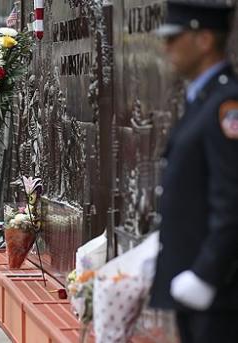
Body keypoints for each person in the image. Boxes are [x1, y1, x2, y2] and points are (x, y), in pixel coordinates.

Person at [149, 2, 238, 342]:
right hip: (192, 285)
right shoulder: (203, 99)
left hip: (218, 294)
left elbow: (232, 199)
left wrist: (206, 274)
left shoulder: (226, 105)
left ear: (204, 40)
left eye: (175, 37)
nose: (166, 46)